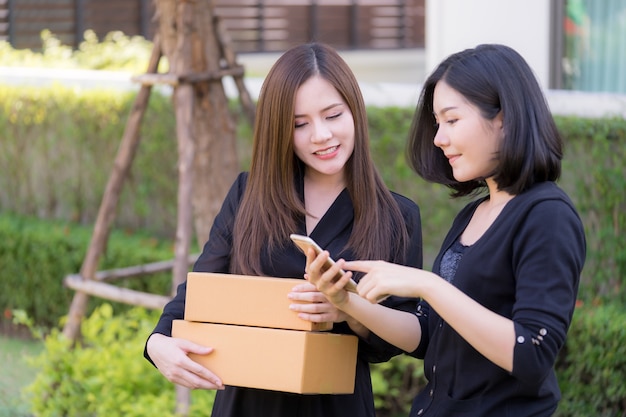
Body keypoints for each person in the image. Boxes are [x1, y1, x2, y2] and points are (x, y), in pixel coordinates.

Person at [304, 44, 586, 417]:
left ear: (504, 117)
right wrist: (347, 303)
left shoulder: (547, 214)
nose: (438, 138)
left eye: (451, 121)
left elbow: (532, 352)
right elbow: (426, 335)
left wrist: (427, 285)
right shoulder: (474, 214)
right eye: (437, 124)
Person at [144, 42, 423, 417]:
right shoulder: (249, 194)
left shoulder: (396, 216)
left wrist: (346, 309)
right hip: (246, 403)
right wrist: (158, 341)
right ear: (280, 131)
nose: (321, 135)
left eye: (333, 115)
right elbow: (202, 288)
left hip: (336, 407)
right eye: (299, 124)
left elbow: (396, 342)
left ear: (355, 110)